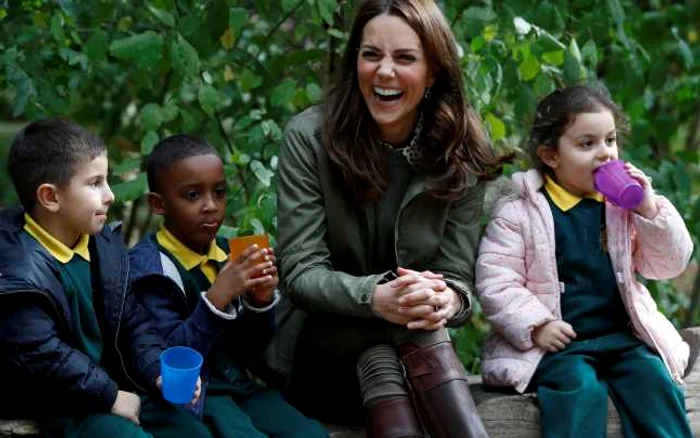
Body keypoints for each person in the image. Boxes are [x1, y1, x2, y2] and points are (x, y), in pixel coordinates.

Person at [270, 0, 509, 436]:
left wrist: (446, 299)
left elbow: (457, 276)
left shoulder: (459, 149)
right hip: (319, 353)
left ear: (433, 71)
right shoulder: (310, 138)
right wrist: (378, 298)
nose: (384, 72)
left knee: (388, 355)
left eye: (404, 58)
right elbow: (301, 273)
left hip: (401, 361)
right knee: (414, 335)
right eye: (371, 54)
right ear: (355, 60)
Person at [475, 84, 694, 437]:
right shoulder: (520, 212)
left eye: (610, 140)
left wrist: (650, 211)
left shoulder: (624, 207)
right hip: (560, 345)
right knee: (577, 390)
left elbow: (669, 264)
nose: (605, 153)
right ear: (551, 157)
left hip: (620, 338)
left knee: (654, 381)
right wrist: (537, 325)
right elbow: (495, 280)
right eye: (587, 144)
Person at [0, 118, 209, 438]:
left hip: (109, 388)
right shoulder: (18, 272)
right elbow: (43, 356)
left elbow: (132, 323)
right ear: (51, 197)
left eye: (107, 181)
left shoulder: (103, 247)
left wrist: (157, 370)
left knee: (190, 430)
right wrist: (110, 396)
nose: (110, 195)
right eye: (95, 183)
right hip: (59, 404)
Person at [128, 134, 328, 438]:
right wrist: (216, 299)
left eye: (219, 193)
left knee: (310, 434)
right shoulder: (150, 269)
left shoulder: (228, 254)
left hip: (240, 387)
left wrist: (259, 303)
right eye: (192, 196)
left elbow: (248, 352)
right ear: (158, 204)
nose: (211, 206)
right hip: (197, 395)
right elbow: (168, 361)